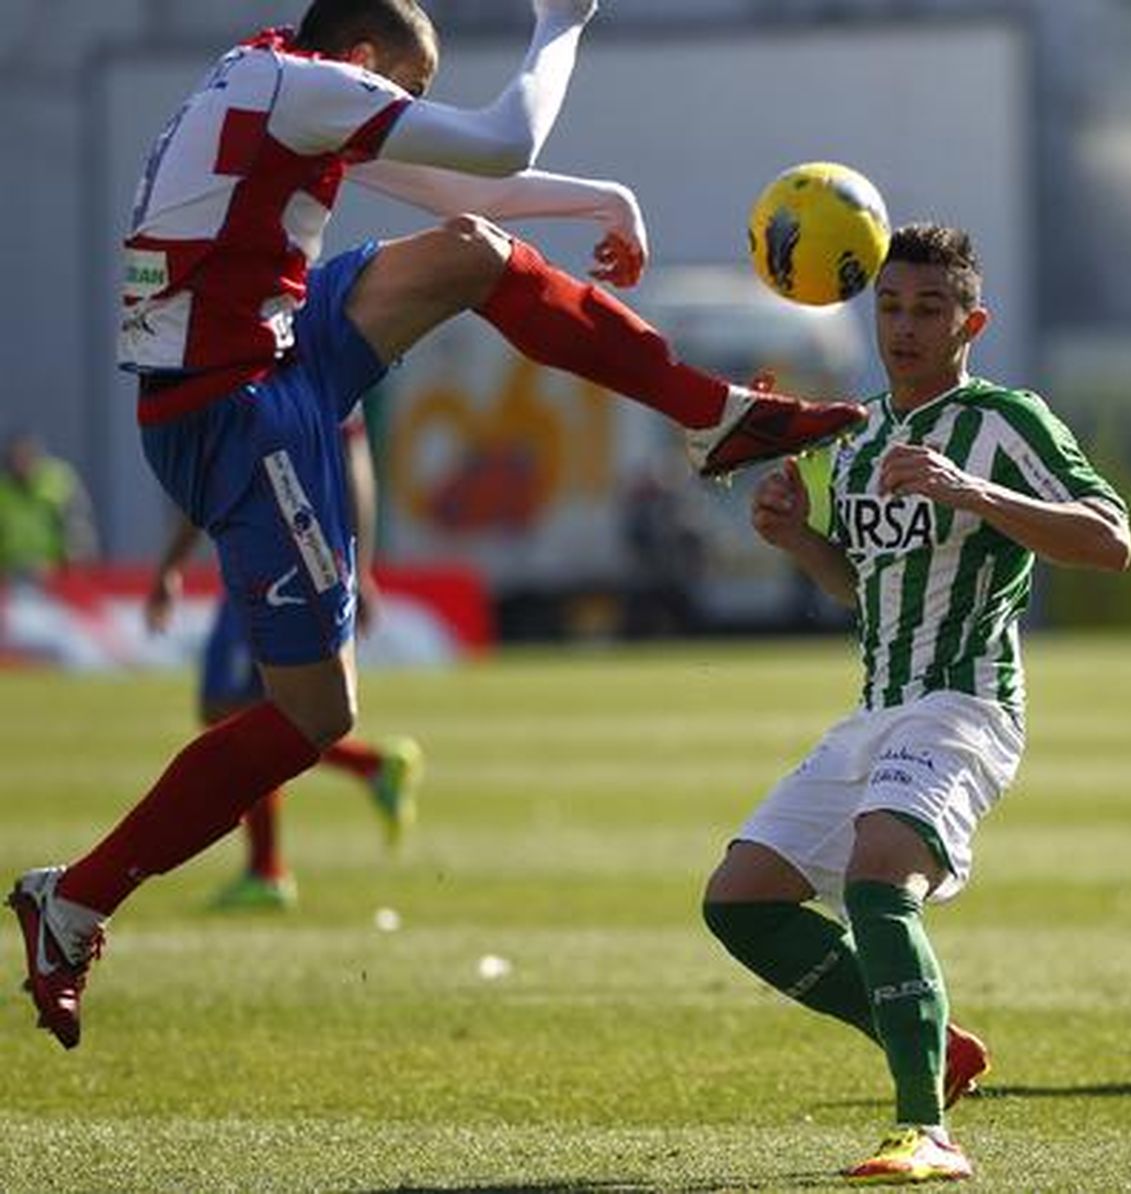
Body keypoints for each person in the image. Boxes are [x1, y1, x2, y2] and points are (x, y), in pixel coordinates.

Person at [8, 0, 865, 1051]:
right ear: (362, 59)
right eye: (403, 91)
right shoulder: (305, 88)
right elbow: (497, 137)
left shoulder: (269, 78)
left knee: (470, 251)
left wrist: (600, 196)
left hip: (267, 345)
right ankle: (77, 901)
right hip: (233, 407)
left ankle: (711, 416)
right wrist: (562, 24)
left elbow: (454, 184)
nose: (403, 111)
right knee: (315, 716)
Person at [702, 224, 1131, 1184]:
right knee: (740, 902)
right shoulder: (857, 438)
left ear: (970, 321)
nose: (904, 325)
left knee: (878, 876)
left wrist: (971, 489)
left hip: (965, 705)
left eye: (929, 308)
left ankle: (924, 1129)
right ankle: (934, 1041)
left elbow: (1111, 539)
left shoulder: (1004, 419)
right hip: (874, 709)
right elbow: (864, 589)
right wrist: (798, 541)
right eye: (890, 305)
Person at [144, 416, 422, 910]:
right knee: (246, 710)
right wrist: (362, 564)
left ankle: (269, 867)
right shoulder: (326, 361)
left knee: (236, 709)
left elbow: (211, 479)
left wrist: (170, 564)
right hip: (296, 553)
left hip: (268, 559)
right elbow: (358, 469)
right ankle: (368, 770)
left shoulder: (255, 369)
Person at [0, 430, 99, 581]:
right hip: (8, 580)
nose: (21, 463)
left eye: (27, 456)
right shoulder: (3, 489)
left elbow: (80, 533)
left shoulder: (59, 481)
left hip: (55, 577)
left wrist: (71, 569)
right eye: (16, 458)